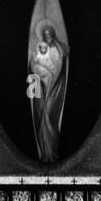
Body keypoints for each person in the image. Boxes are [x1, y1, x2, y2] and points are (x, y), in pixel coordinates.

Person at [28, 22, 68, 163]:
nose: (47, 38)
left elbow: (60, 65)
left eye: (49, 35)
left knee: (49, 116)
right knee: (41, 117)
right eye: (45, 36)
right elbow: (33, 66)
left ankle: (52, 152)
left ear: (53, 35)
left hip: (55, 89)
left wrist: (50, 75)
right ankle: (45, 153)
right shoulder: (40, 50)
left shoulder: (58, 49)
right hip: (42, 89)